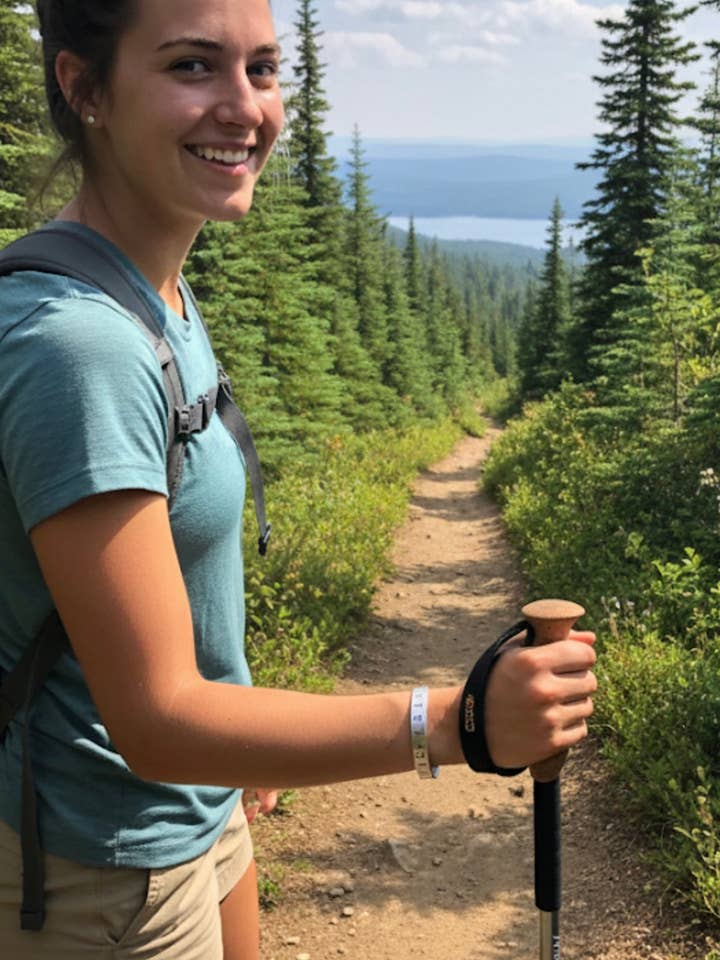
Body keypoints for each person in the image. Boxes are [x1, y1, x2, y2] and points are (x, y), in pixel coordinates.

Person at [0, 1, 597, 958]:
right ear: (84, 88)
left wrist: (240, 736)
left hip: (200, 805)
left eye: (264, 69)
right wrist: (461, 722)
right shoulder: (80, 348)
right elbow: (155, 721)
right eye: (192, 65)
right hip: (101, 872)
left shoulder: (155, 289)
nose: (246, 107)